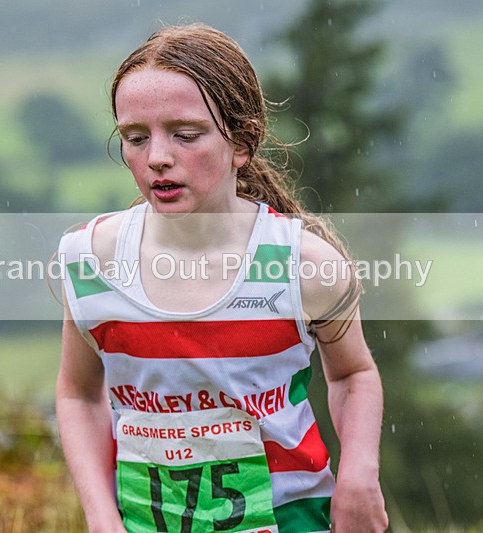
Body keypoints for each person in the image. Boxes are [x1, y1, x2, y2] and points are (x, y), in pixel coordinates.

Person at [55, 23, 388, 533]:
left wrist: (359, 475)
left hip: (292, 520)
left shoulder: (305, 265)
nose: (157, 157)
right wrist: (101, 517)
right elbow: (79, 394)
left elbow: (353, 375)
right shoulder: (90, 261)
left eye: (185, 135)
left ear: (243, 143)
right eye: (135, 138)